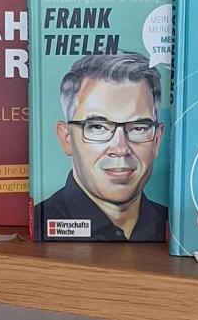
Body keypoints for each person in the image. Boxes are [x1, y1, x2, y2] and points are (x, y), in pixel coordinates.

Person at [34, 52, 167, 241]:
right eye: (98, 127)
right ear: (66, 138)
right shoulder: (40, 226)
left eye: (138, 128)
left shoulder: (174, 228)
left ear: (157, 140)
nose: (121, 148)